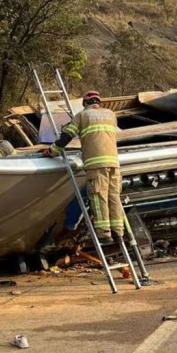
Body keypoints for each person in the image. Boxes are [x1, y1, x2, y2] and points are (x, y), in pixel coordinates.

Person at [44, 90, 123, 245]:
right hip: (114, 163)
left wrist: (51, 151)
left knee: (99, 197)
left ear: (85, 103)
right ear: (98, 102)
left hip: (96, 164)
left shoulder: (82, 115)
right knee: (114, 197)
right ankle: (118, 232)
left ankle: (104, 234)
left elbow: (66, 137)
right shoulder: (111, 115)